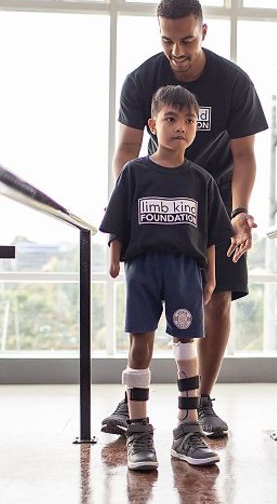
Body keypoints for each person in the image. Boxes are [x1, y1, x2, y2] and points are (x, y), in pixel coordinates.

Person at [101, 0, 268, 439]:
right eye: (167, 41)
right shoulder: (141, 80)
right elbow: (125, 149)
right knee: (147, 305)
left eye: (187, 41)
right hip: (160, 204)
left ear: (203, 32)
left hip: (214, 202)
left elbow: (246, 155)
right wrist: (129, 203)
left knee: (217, 299)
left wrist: (239, 210)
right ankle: (133, 399)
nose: (177, 52)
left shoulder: (233, 82)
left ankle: (203, 402)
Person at [99, 85, 233, 471]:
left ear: (196, 127)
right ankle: (139, 431)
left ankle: (187, 430)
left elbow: (209, 233)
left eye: (189, 121)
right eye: (171, 119)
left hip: (185, 270)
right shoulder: (135, 173)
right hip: (143, 267)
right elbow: (118, 220)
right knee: (141, 342)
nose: (180, 127)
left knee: (186, 344)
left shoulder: (202, 180)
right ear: (152, 125)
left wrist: (210, 274)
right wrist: (113, 256)